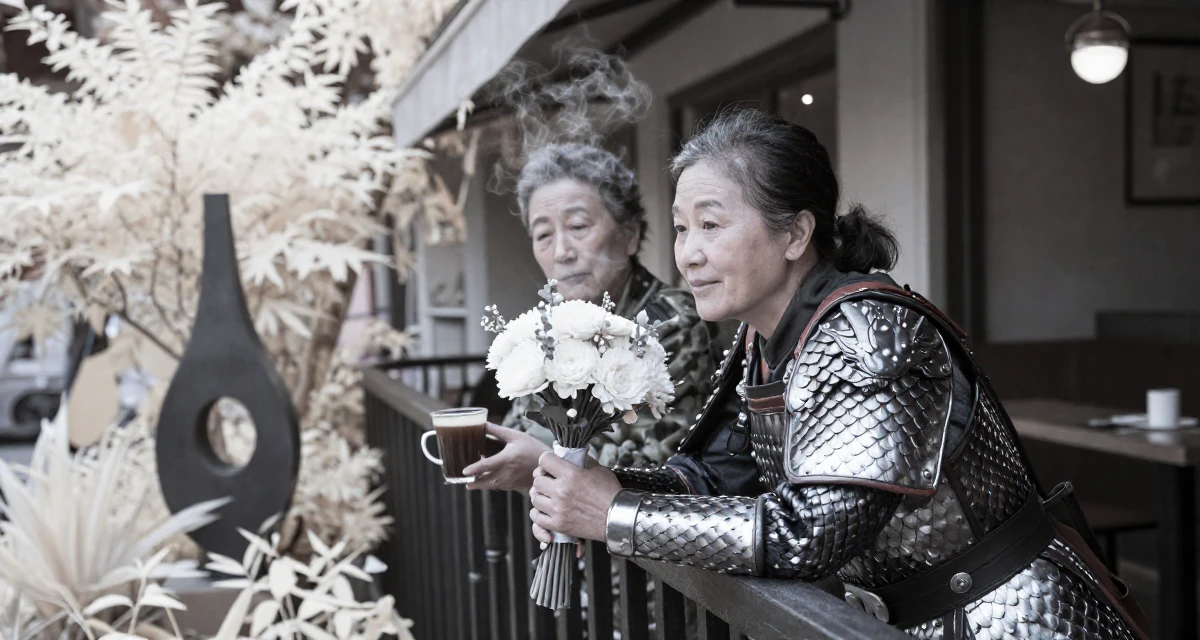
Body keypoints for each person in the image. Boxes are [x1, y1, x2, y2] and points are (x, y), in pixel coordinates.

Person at [525, 110, 1149, 639]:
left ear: (796, 232)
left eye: (711, 225)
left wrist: (613, 514)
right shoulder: (763, 339)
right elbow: (718, 476)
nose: (687, 253)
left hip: (1015, 618)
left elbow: (807, 535)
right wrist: (589, 482)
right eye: (684, 228)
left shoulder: (868, 332)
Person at [463, 142, 718, 492]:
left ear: (630, 235)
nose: (562, 252)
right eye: (543, 235)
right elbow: (517, 426)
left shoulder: (671, 322)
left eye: (579, 226)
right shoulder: (550, 324)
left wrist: (539, 460)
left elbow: (658, 464)